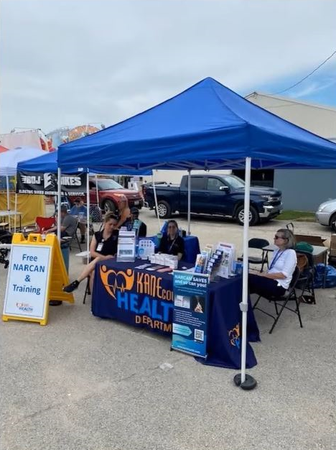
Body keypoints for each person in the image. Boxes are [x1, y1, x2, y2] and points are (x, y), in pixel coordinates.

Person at [63, 212, 119, 293]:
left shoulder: (116, 235)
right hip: (96, 263)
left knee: (97, 260)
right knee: (93, 272)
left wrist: (106, 258)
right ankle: (94, 300)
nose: (112, 227)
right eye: (110, 224)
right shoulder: (97, 235)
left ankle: (77, 282)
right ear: (105, 223)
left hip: (110, 262)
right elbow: (92, 252)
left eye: (114, 225)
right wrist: (104, 257)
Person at [249, 228, 297, 298]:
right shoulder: (276, 251)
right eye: (275, 236)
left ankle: (241, 304)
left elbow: (283, 275)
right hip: (270, 280)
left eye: (277, 237)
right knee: (244, 281)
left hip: (279, 285)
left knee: (247, 280)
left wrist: (263, 275)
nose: (274, 238)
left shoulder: (290, 253)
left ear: (286, 240)